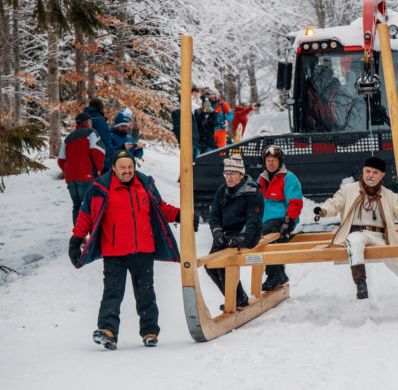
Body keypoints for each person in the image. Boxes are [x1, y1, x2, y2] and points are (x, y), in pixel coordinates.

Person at [68, 150, 195, 350]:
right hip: (114, 252)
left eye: (130, 167)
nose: (127, 171)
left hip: (143, 250)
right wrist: (76, 239)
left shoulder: (145, 185)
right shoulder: (100, 188)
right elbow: (86, 215)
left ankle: (149, 332)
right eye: (123, 167)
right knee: (112, 292)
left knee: (146, 293)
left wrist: (181, 215)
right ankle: (108, 331)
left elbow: (160, 208)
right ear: (114, 168)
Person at [313, 156, 398, 299]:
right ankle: (361, 283)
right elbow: (334, 203)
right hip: (358, 232)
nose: (370, 175)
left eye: (375, 172)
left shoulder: (389, 195)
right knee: (354, 241)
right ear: (363, 172)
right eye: (368, 171)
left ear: (382, 175)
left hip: (381, 236)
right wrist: (323, 211)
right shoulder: (348, 189)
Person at [206, 154, 264, 310]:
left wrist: (242, 236)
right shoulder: (222, 191)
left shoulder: (252, 192)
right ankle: (237, 297)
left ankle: (236, 299)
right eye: (226, 174)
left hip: (247, 235)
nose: (229, 178)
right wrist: (217, 233)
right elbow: (214, 216)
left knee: (225, 264)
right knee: (210, 266)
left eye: (232, 174)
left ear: (241, 175)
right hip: (226, 234)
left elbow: (254, 220)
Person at [258, 145, 303, 291]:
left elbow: (295, 202)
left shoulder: (289, 178)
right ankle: (279, 274)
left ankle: (274, 275)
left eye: (274, 160)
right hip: (266, 220)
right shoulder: (261, 179)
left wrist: (288, 222)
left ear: (280, 162)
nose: (271, 163)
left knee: (268, 235)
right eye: (268, 160)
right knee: (259, 236)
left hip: (283, 219)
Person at [57, 112, 105, 224]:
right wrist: (99, 169)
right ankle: (92, 235)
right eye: (90, 121)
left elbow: (60, 160)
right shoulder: (91, 133)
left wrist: (69, 171)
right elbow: (98, 152)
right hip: (86, 175)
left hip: (71, 178)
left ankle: (78, 236)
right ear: (88, 122)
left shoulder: (68, 138)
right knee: (88, 206)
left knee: (77, 206)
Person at [82, 97, 114, 170]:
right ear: (100, 109)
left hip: (86, 161)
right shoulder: (100, 121)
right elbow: (105, 141)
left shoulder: (83, 120)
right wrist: (110, 159)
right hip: (101, 162)